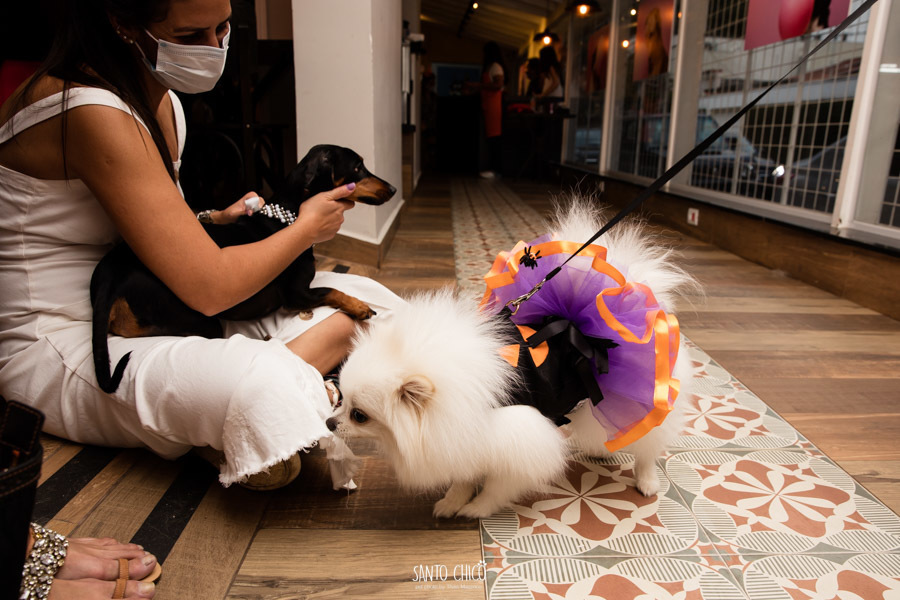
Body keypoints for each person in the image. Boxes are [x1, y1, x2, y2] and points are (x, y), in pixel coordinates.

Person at [0, 0, 402, 526]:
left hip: (158, 297)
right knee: (262, 390)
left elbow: (148, 221)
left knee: (375, 301)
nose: (215, 49)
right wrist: (305, 226)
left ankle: (243, 403)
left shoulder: (163, 98)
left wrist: (212, 218)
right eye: (191, 35)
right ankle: (264, 397)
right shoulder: (87, 108)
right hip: (69, 337)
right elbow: (211, 291)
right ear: (122, 22)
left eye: (223, 27)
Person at [478, 41, 506, 179]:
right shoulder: (491, 67)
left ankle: (496, 169)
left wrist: (479, 86)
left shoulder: (496, 67)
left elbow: (499, 84)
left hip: (494, 106)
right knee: (490, 137)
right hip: (488, 105)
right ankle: (492, 168)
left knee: (494, 137)